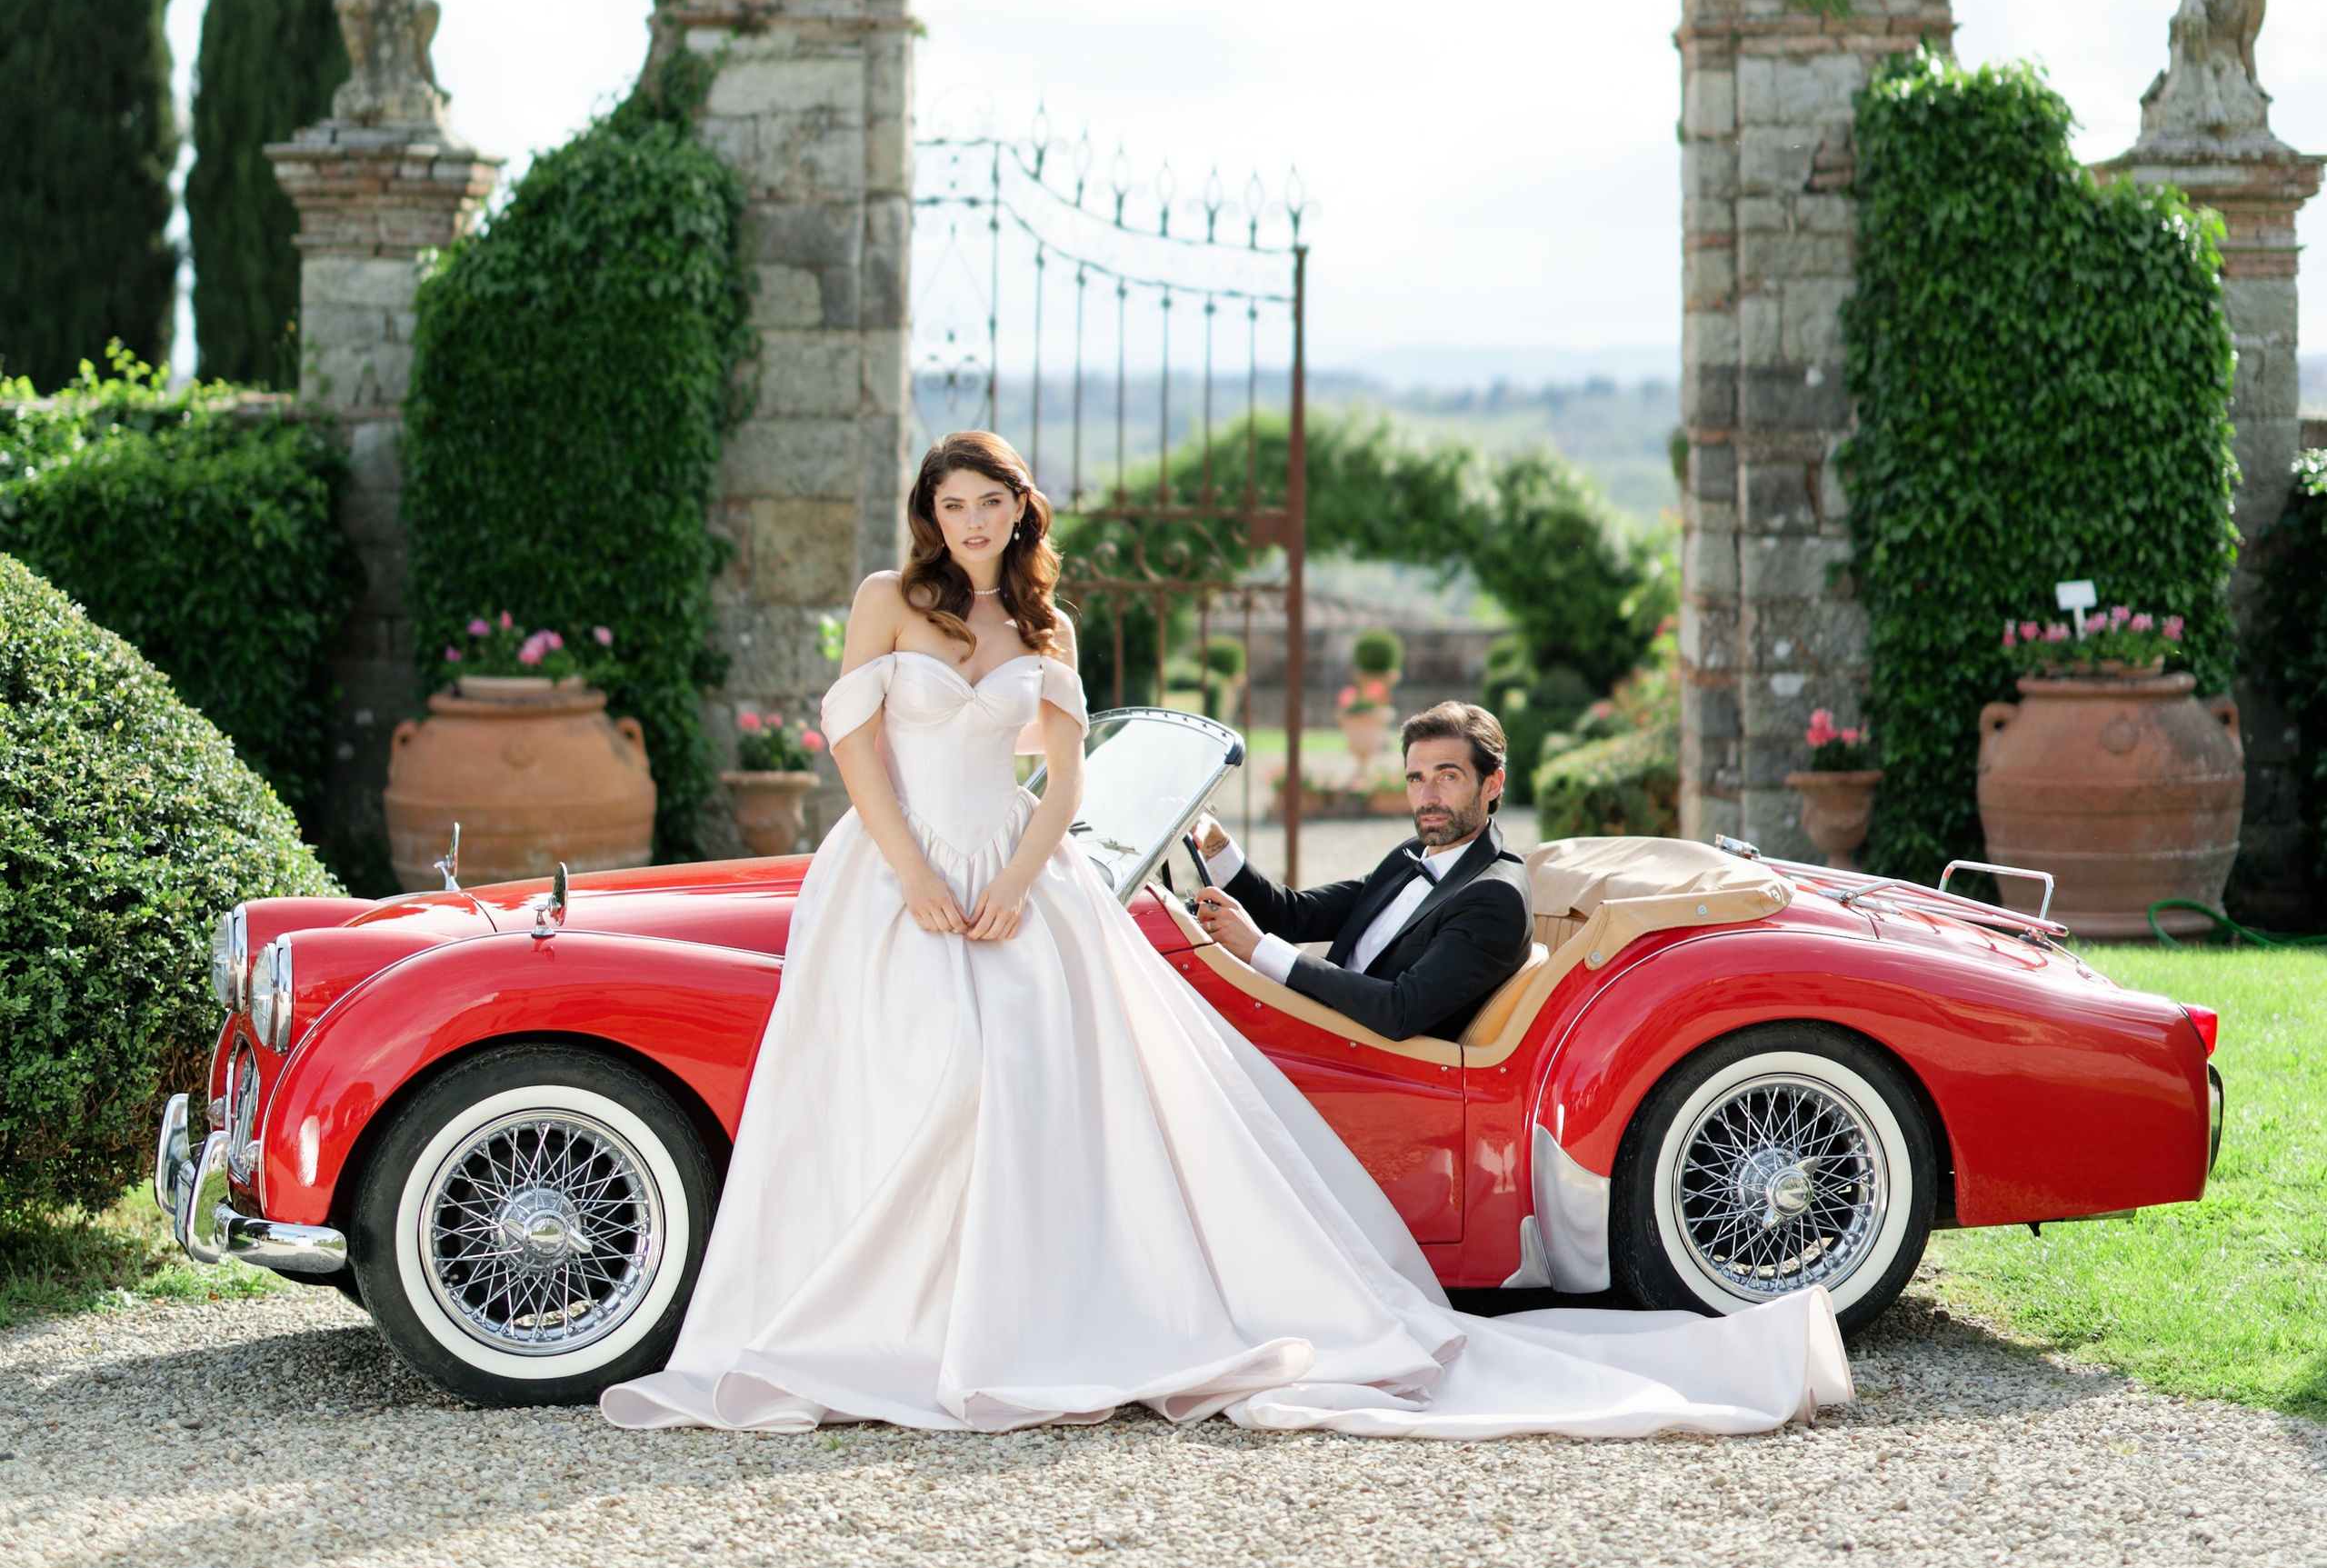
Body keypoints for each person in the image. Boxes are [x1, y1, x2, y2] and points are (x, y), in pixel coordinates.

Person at [602, 430, 1848, 1443]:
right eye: (953, 502)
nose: (971, 521)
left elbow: (1067, 785)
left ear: (1019, 516)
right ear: (930, 514)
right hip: (895, 871)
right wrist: (919, 874)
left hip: (1025, 877)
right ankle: (889, 1324)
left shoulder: (1047, 630)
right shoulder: (888, 600)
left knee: (1021, 1096)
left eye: (990, 502)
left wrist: (1025, 878)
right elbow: (854, 746)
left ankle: (1016, 1322)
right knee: (904, 1088)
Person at [1186, 703, 1531, 1041]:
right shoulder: (1411, 856)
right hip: (1305, 1034)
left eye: (1448, 776)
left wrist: (1260, 949)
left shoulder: (1495, 896)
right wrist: (1217, 847)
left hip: (1364, 1071)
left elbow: (1401, 1009)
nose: (1427, 797)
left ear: (1492, 784)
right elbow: (1293, 915)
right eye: (1416, 778)